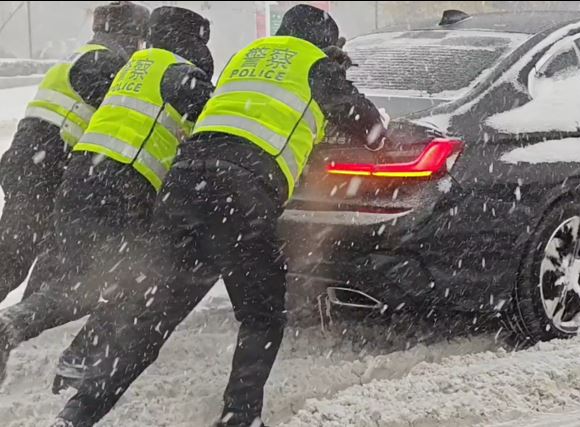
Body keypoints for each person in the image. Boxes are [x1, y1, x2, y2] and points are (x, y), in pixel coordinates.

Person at [52, 4, 387, 427]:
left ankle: (77, 414)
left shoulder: (242, 60)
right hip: (241, 193)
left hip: (185, 185)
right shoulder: (316, 64)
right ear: (324, 42)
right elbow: (371, 130)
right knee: (261, 314)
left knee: (152, 318)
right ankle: (240, 416)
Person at [0, 6, 214, 394]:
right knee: (54, 264)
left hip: (53, 165)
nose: (140, 43)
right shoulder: (105, 62)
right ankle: (29, 324)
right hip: (58, 167)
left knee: (51, 256)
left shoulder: (99, 59)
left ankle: (28, 321)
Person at [0, 1, 148, 303]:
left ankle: (15, 327)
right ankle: (19, 323)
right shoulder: (105, 65)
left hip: (30, 163)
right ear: (132, 37)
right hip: (45, 167)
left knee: (31, 255)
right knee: (18, 260)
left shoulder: (81, 57)